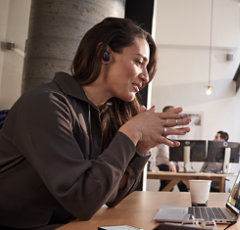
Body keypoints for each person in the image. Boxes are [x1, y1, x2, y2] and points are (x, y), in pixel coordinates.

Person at [0, 17, 191, 229]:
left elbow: (110, 197)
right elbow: (84, 200)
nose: (145, 76)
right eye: (139, 62)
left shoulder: (101, 114)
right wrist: (132, 131)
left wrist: (141, 148)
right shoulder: (45, 104)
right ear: (104, 53)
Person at [154, 106, 188, 192]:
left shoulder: (172, 128)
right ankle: (159, 203)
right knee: (168, 186)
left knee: (180, 185)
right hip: (165, 162)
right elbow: (163, 148)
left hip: (172, 161)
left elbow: (174, 148)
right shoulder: (162, 127)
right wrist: (171, 163)